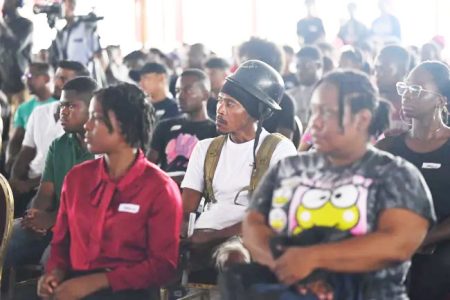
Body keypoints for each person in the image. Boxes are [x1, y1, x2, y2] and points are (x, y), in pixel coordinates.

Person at [236, 70, 435, 300]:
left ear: (362, 119)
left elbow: (398, 243)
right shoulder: (288, 169)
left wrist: (313, 259)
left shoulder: (395, 174)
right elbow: (253, 223)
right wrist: (287, 266)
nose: (314, 124)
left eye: (327, 113)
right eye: (313, 112)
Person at [37, 83, 181, 300]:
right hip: (75, 283)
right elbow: (61, 242)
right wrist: (55, 272)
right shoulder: (77, 178)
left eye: (96, 118)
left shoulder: (159, 188)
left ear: (125, 125)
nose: (87, 125)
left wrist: (96, 282)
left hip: (130, 291)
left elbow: (163, 266)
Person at [181, 60, 297, 275]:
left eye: (231, 104)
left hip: (249, 237)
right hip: (202, 233)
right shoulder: (206, 149)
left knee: (233, 257)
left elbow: (276, 217)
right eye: (220, 101)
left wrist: (213, 235)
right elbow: (186, 209)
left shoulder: (279, 150)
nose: (220, 110)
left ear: (256, 111)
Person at [2, 77, 98, 291]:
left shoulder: (101, 149)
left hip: (79, 230)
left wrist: (53, 219)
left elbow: (89, 206)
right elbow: (46, 191)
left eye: (71, 106)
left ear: (93, 108)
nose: (62, 111)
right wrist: (35, 214)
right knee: (5, 238)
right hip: (51, 224)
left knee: (51, 263)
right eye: (61, 105)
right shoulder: (60, 144)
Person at [376, 61, 450, 300]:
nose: (407, 95)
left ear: (441, 99)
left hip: (441, 244)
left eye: (416, 89)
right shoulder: (388, 147)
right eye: (405, 88)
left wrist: (422, 240)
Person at [8, 61, 89, 214]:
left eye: (63, 79)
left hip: (56, 189)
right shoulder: (39, 112)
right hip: (33, 184)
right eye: (57, 77)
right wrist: (14, 180)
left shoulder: (79, 122)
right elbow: (25, 152)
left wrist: (28, 185)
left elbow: (66, 172)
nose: (57, 82)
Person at [148, 69, 217, 178]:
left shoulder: (216, 132)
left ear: (205, 95)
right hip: (168, 191)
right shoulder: (164, 126)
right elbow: (149, 167)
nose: (180, 96)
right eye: (178, 90)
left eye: (188, 90)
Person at [238, 37, 297, 140]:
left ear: (268, 65)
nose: (243, 68)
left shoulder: (285, 101)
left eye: (250, 64)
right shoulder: (236, 96)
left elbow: (284, 144)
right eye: (243, 62)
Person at [49, 0, 101, 68]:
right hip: (66, 73)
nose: (60, 8)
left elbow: (97, 53)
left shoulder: (86, 26)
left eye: (64, 4)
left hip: (84, 73)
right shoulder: (62, 32)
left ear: (72, 6)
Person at [0, 0, 33, 107]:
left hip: (20, 84)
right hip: (4, 84)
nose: (4, 4)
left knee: (20, 120)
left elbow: (16, 46)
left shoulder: (26, 25)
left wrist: (2, 25)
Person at [374, 45, 412, 134]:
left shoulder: (413, 108)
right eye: (376, 68)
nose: (378, 74)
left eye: (384, 69)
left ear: (403, 71)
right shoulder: (371, 102)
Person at [287, 46, 323, 129]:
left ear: (318, 66)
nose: (300, 71)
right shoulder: (290, 95)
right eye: (298, 67)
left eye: (306, 66)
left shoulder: (327, 95)